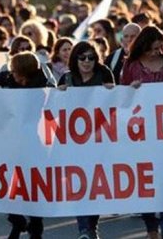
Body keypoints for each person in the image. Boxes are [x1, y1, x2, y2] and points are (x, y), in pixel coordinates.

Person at [120, 26, 163, 239]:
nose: (155, 53)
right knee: (146, 182)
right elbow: (122, 99)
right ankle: (151, 229)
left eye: (159, 48)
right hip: (140, 132)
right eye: (152, 49)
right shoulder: (131, 65)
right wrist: (130, 91)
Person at [57, 41, 115, 239]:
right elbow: (55, 110)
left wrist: (113, 90)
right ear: (75, 59)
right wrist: (59, 95)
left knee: (95, 185)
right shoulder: (67, 78)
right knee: (79, 184)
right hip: (75, 142)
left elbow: (115, 102)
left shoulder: (104, 74)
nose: (87, 61)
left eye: (91, 57)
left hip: (100, 139)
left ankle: (92, 226)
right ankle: (83, 229)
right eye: (82, 57)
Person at [0, 51, 51, 239]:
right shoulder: (6, 79)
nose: (13, 75)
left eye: (16, 72)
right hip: (9, 142)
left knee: (33, 187)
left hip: (34, 144)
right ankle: (16, 220)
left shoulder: (43, 86)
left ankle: (36, 227)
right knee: (8, 185)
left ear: (26, 73)